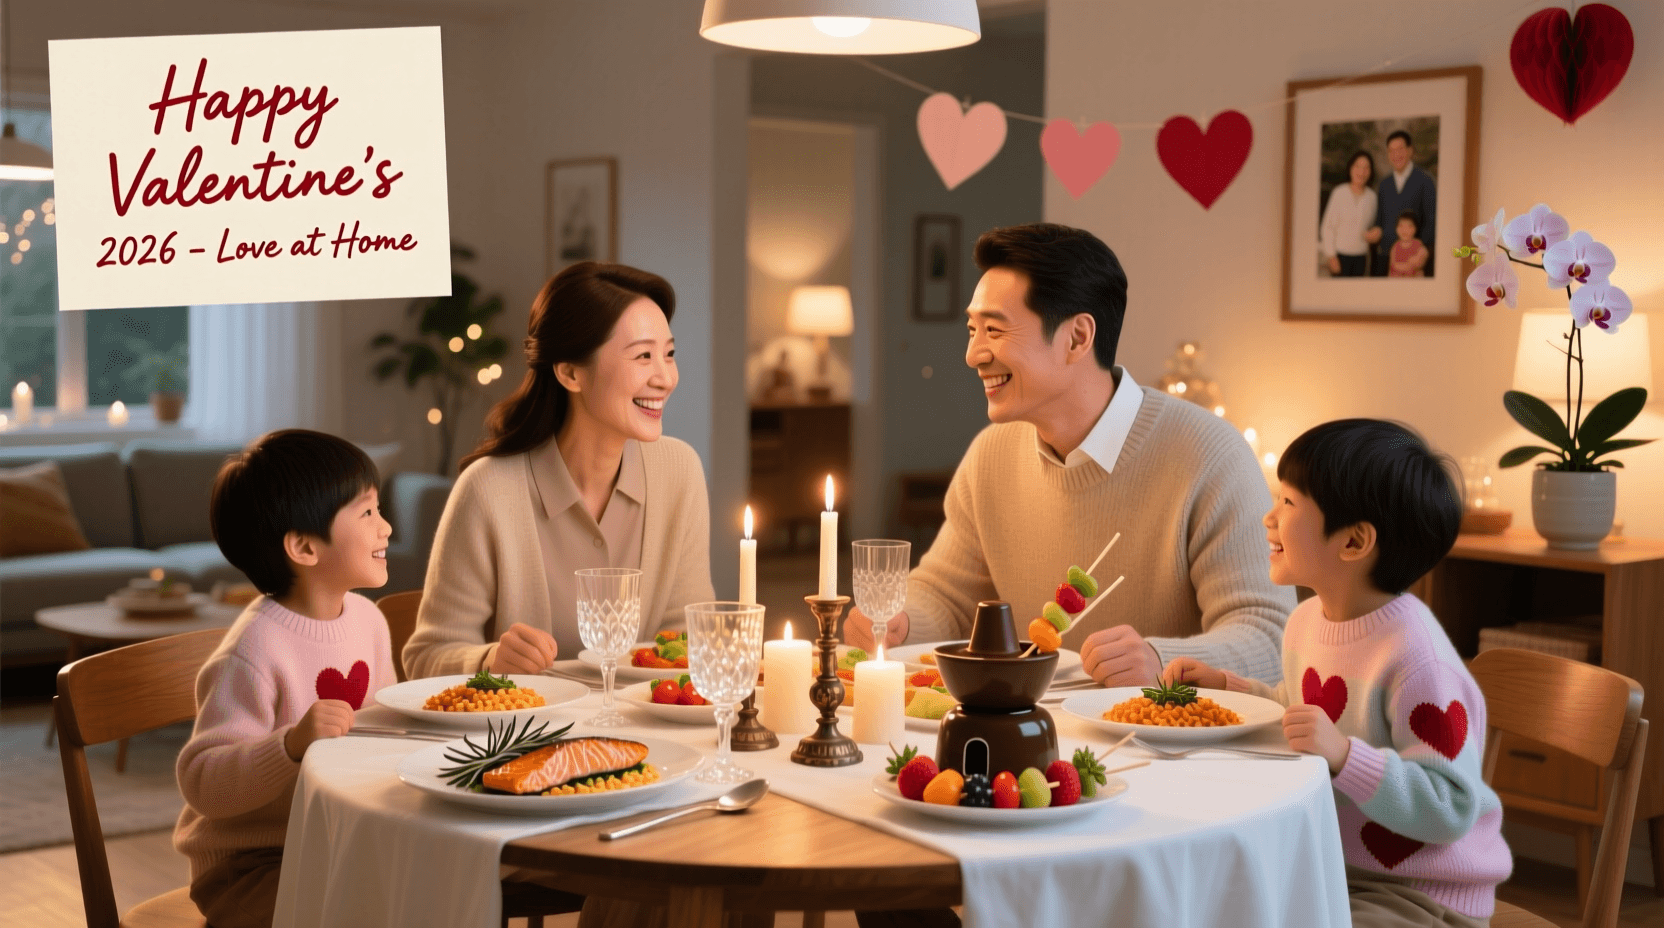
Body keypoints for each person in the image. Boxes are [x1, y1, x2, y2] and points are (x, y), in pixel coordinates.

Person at [843, 223, 1295, 689]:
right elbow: (947, 595)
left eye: (994, 330)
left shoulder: (1209, 457)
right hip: (1030, 743)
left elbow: (1269, 637)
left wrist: (1160, 660)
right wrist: (901, 621)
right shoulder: (991, 456)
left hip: (1167, 748)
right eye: (973, 329)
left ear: (1077, 338)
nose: (973, 354)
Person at [1164, 419, 1511, 927]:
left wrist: (1347, 758)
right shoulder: (1307, 621)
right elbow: (1309, 715)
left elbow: (1452, 805)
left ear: (1353, 542)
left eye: (1288, 504)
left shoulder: (1419, 659)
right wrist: (1232, 689)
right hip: (1332, 867)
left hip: (1422, 896)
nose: (1268, 517)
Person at [402, 261, 715, 679]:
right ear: (570, 372)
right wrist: (489, 660)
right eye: (643, 356)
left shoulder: (680, 471)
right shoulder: (488, 490)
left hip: (646, 733)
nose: (666, 377)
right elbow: (426, 657)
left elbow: (688, 642)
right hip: (520, 737)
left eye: (669, 354)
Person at [174, 430, 396, 928]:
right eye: (366, 513)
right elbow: (203, 782)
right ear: (303, 546)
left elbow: (384, 733)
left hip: (336, 842)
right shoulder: (255, 649)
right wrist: (290, 747)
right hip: (250, 865)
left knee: (435, 888)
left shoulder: (369, 621)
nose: (385, 528)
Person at [1366, 130, 1437, 277]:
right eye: (1391, 151)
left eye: (1400, 149)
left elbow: (1432, 221)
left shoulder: (1425, 181)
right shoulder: (1384, 184)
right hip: (1385, 260)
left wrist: (1420, 253)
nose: (1396, 155)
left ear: (1410, 151)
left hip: (1413, 262)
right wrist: (1376, 231)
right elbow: (1380, 220)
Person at [1320, 150, 1378, 277]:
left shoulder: (1372, 197)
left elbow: (1372, 225)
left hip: (1361, 258)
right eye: (1358, 166)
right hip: (1340, 257)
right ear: (1351, 168)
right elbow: (1327, 227)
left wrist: (1373, 233)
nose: (1361, 172)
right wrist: (1331, 256)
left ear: (1370, 172)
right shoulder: (1339, 193)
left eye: (1366, 168)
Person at [1388, 210, 1430, 278]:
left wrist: (1419, 259)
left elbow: (1423, 257)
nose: (1404, 230)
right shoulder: (1395, 246)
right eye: (1401, 226)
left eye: (1409, 226)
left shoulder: (1418, 244)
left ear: (1415, 228)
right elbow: (1393, 265)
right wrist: (1408, 266)